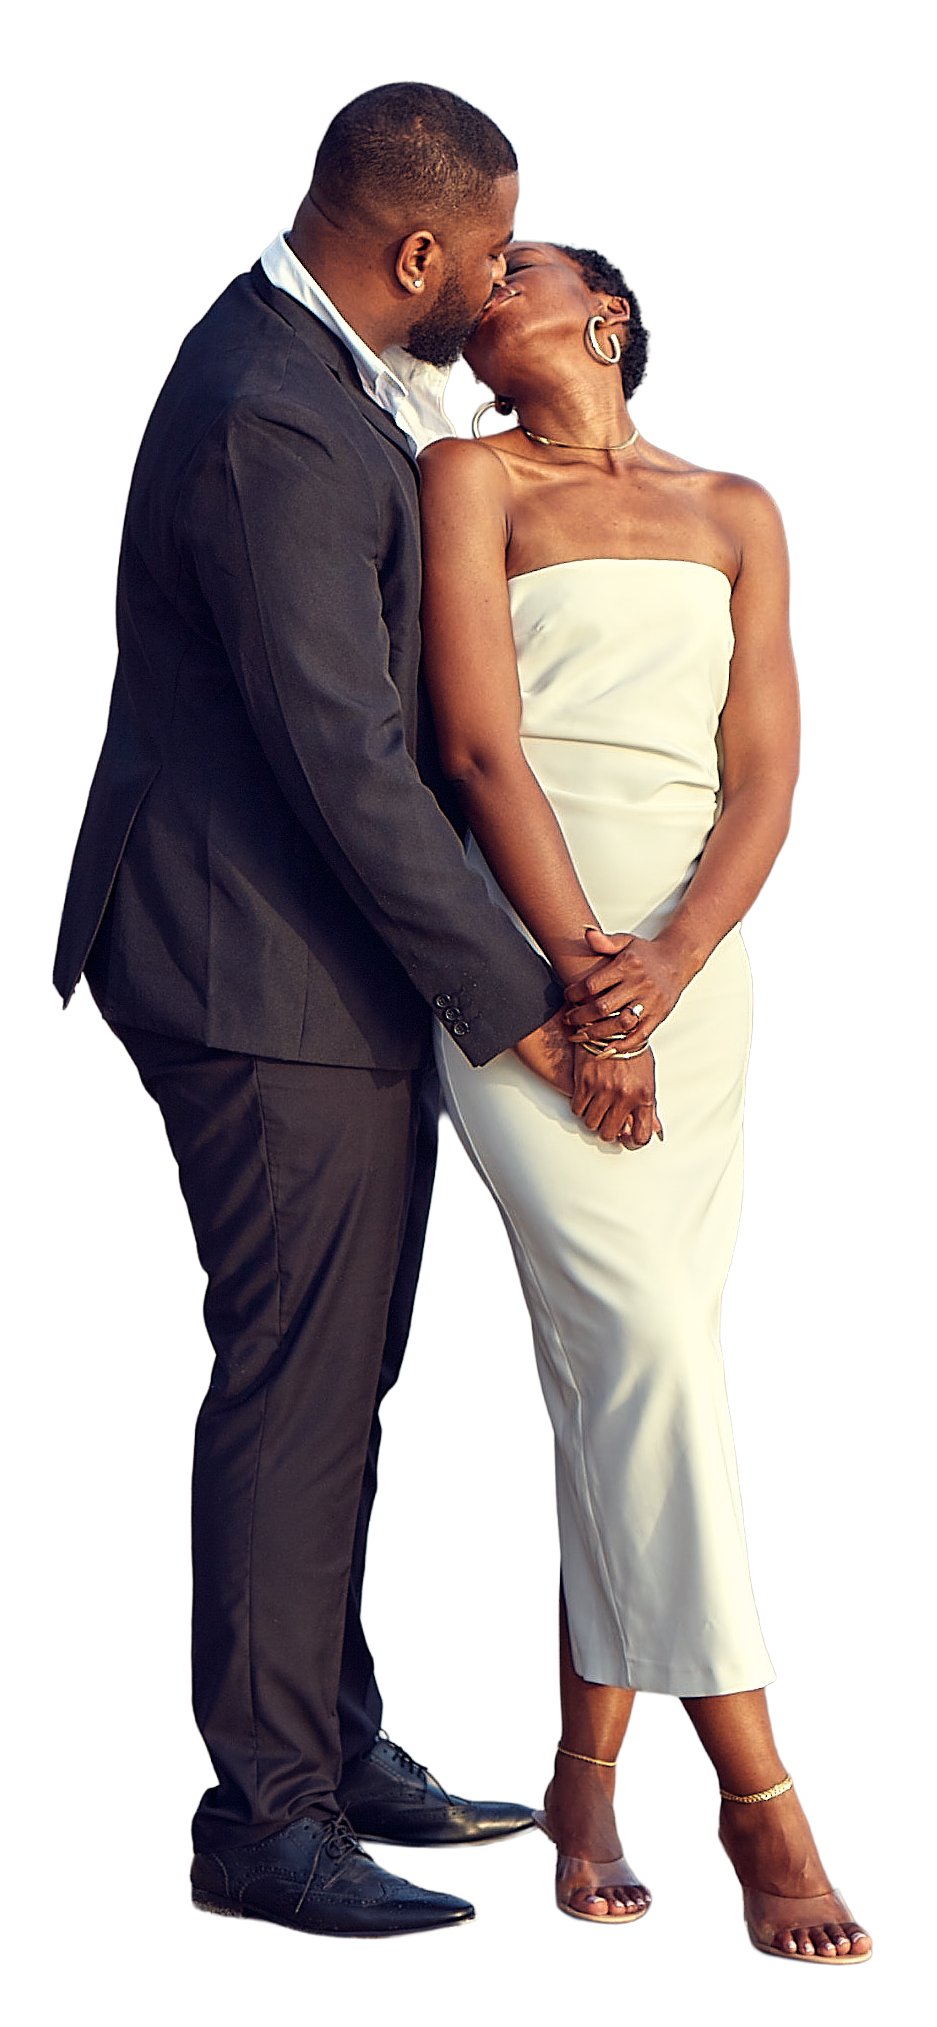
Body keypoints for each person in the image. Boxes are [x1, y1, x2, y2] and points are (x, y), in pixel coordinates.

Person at [51, 85, 618, 1943]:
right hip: (251, 959)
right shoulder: (271, 418)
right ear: (425, 253)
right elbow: (345, 760)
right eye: (499, 243)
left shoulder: (323, 370)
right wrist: (519, 1000)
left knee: (347, 1368)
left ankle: (342, 1736)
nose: (507, 277)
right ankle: (265, 1811)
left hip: (310, 957)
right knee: (297, 1384)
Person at [418, 239, 873, 1963]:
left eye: (517, 263)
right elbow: (476, 747)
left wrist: (673, 966)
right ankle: (765, 1801)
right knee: (659, 1362)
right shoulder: (465, 473)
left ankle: (588, 1777)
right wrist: (580, 988)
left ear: (602, 315)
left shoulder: (738, 504)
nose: (483, 280)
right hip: (526, 971)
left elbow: (771, 768)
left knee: (631, 1375)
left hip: (699, 971)